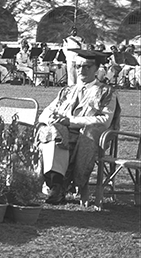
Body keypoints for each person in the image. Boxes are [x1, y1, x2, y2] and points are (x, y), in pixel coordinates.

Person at [36, 49, 118, 205]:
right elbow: (46, 112)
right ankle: (57, 186)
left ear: (96, 69)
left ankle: (56, 187)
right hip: (60, 132)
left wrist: (71, 121)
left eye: (87, 66)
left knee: (54, 138)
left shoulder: (105, 92)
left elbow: (105, 120)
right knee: (52, 134)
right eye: (78, 66)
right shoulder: (68, 91)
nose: (81, 70)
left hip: (85, 135)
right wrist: (51, 120)